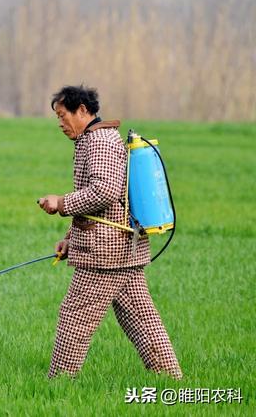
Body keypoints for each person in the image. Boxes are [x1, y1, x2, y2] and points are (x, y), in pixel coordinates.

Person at [38, 85, 183, 379]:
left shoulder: (100, 141)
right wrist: (69, 240)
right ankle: (171, 378)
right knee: (140, 318)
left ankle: (58, 383)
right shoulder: (93, 139)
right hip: (120, 247)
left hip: (106, 253)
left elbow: (105, 191)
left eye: (63, 116)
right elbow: (99, 205)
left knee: (74, 316)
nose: (60, 123)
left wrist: (61, 202)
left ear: (82, 110)